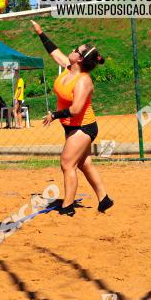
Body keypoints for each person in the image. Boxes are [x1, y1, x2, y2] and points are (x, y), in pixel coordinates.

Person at [32, 20, 114, 216]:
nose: (72, 50)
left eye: (76, 50)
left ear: (80, 59)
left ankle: (67, 207)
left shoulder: (83, 81)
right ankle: (104, 199)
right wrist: (40, 33)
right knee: (84, 163)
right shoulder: (69, 68)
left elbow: (76, 109)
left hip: (83, 127)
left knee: (67, 163)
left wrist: (54, 115)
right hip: (72, 126)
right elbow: (55, 52)